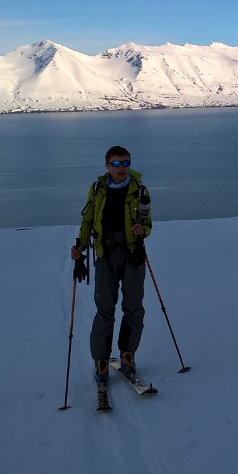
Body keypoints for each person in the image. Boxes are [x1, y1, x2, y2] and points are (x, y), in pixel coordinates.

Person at [70, 145, 152, 405]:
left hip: (132, 254)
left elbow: (147, 223)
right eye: (116, 164)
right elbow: (88, 220)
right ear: (107, 166)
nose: (121, 168)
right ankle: (102, 362)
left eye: (125, 163)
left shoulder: (139, 190)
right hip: (105, 254)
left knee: (134, 307)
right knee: (105, 309)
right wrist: (80, 247)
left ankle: (127, 355)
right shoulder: (97, 190)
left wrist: (143, 232)